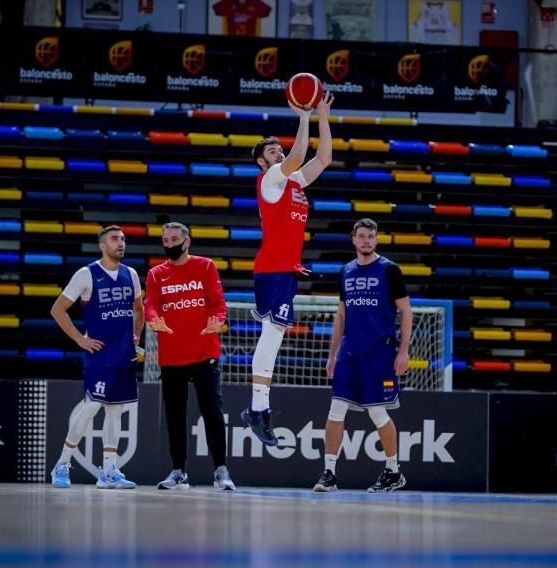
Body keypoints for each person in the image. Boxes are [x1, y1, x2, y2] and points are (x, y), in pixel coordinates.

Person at [242, 91, 335, 446]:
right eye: (272, 152)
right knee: (272, 336)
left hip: (284, 269)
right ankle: (258, 409)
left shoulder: (294, 182)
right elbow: (298, 156)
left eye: (279, 149)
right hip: (273, 268)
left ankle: (257, 408)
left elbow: (323, 158)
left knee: (274, 336)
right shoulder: (269, 180)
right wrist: (304, 116)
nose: (279, 153)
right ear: (262, 163)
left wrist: (322, 115)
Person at [314, 218, 412, 493]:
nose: (366, 240)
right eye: (362, 236)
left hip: (379, 351)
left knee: (378, 413)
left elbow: (406, 311)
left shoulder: (389, 270)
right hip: (348, 352)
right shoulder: (346, 271)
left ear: (376, 240)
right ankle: (329, 474)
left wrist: (403, 350)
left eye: (371, 236)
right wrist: (332, 354)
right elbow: (341, 314)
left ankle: (393, 472)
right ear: (353, 240)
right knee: (336, 409)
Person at [49, 225, 143, 489]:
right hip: (99, 354)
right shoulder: (86, 274)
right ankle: (62, 463)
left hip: (124, 354)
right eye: (114, 239)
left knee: (116, 411)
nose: (120, 243)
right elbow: (57, 309)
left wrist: (136, 336)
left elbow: (139, 309)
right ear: (103, 246)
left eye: (123, 239)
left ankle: (109, 471)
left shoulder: (130, 274)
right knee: (92, 407)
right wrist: (80, 339)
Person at [144, 222, 235, 491]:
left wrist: (217, 321)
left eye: (174, 239)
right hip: (172, 356)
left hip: (204, 352)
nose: (169, 244)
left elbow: (218, 303)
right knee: (175, 415)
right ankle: (178, 472)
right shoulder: (155, 274)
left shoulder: (205, 266)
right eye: (165, 240)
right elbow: (150, 305)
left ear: (186, 242)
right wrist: (154, 319)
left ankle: (221, 470)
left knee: (212, 411)